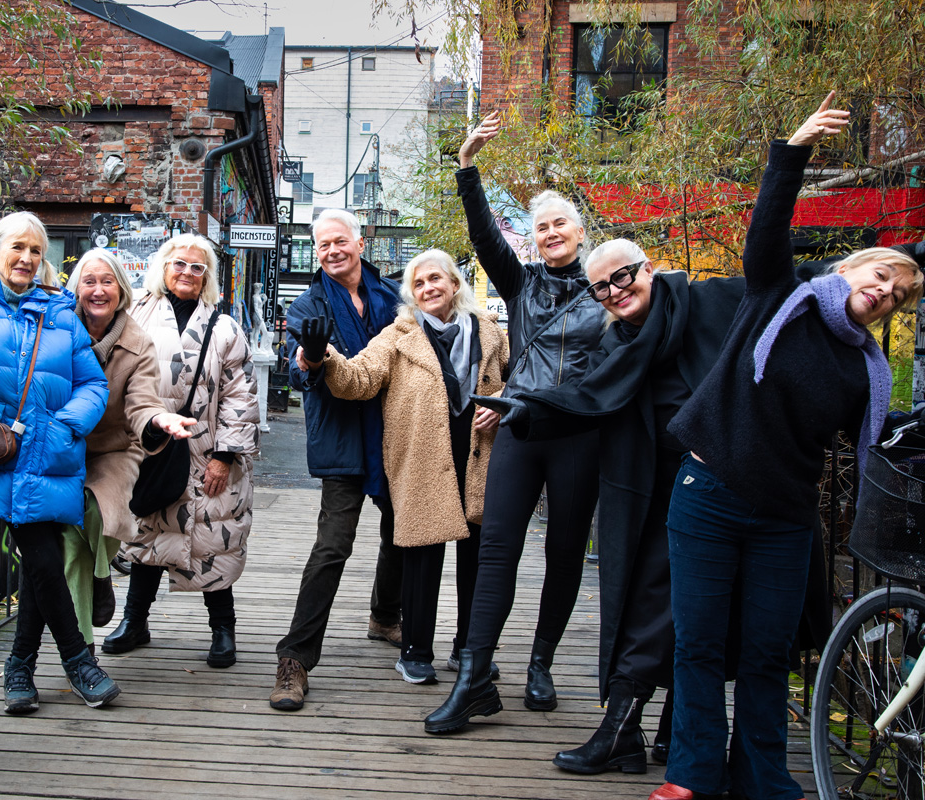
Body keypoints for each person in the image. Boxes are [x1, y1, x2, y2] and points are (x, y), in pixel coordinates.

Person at [650, 94, 923, 800]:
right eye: (882, 277)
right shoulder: (781, 294)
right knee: (701, 647)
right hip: (708, 496)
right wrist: (794, 148)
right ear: (855, 268)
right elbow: (769, 223)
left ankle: (762, 778)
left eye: (898, 296)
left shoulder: (866, 369)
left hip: (782, 519)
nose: (886, 293)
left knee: (770, 655)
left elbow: (881, 446)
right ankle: (692, 777)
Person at [461, 238, 746, 768]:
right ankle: (631, 730)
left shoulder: (710, 301)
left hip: (713, 488)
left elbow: (791, 279)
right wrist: (524, 410)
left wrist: (894, 260)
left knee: (692, 606)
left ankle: (657, 730)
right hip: (647, 489)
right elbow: (588, 397)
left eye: (624, 276)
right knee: (645, 599)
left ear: (651, 268)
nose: (615, 291)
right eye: (601, 287)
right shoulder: (621, 344)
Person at [425, 111, 606, 731]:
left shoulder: (606, 288)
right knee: (497, 547)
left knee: (562, 553)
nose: (552, 232)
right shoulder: (522, 282)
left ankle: (542, 660)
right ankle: (476, 675)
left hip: (579, 435)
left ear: (581, 232)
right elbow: (481, 238)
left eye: (561, 223)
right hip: (522, 427)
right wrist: (467, 167)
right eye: (542, 226)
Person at [298, 249, 510, 685]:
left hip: (479, 458)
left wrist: (507, 405)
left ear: (454, 283)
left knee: (477, 558)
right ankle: (416, 650)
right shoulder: (399, 335)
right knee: (422, 555)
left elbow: (520, 378)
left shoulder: (491, 334)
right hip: (422, 458)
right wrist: (323, 358)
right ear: (411, 294)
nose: (429, 288)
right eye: (419, 283)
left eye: (436, 279)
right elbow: (359, 380)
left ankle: (469, 648)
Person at [0, 211, 119, 715]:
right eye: (17, 247)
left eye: (36, 251)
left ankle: (19, 667)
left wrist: (65, 424)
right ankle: (76, 659)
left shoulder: (60, 314)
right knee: (41, 553)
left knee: (37, 557)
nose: (26, 258)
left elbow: (95, 384)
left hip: (48, 452)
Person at [269, 208, 405, 711]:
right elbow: (299, 364)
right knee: (332, 546)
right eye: (322, 244)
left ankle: (385, 615)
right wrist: (307, 356)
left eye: (339, 241)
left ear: (360, 241)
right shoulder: (308, 305)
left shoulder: (392, 297)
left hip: (393, 434)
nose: (331, 251)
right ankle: (294, 659)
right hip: (344, 439)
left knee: (399, 532)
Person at [102, 234, 259, 668]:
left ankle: (222, 629)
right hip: (149, 446)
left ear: (206, 276)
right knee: (147, 533)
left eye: (197, 267)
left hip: (206, 450)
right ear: (162, 266)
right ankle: (135, 621)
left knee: (213, 536)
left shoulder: (224, 327)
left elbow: (240, 394)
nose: (187, 272)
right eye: (179, 264)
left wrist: (225, 455)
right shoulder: (133, 316)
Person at [60, 249, 198, 651]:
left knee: (96, 510)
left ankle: (97, 586)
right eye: (89, 281)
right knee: (71, 544)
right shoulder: (60, 329)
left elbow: (142, 402)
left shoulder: (138, 343)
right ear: (77, 289)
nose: (98, 290)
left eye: (107, 282)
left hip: (116, 448)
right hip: (64, 445)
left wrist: (159, 420)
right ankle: (83, 642)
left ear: (121, 290)